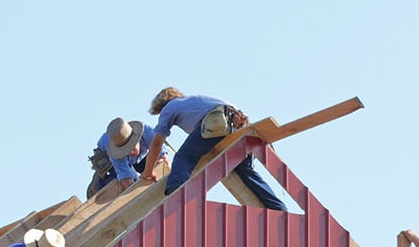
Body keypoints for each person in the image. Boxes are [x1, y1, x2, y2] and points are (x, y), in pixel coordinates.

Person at [141, 87, 285, 204]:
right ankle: (277, 207)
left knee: (184, 157)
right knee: (244, 171)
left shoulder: (170, 107)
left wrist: (148, 172)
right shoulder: (195, 101)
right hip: (240, 126)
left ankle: (176, 195)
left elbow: (157, 143)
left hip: (218, 122)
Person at [86, 117, 148, 195]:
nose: (130, 151)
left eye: (131, 147)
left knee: (151, 165)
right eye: (127, 149)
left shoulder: (148, 133)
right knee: (121, 185)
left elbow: (162, 158)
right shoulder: (115, 154)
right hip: (107, 158)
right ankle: (98, 186)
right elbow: (127, 180)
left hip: (137, 156)